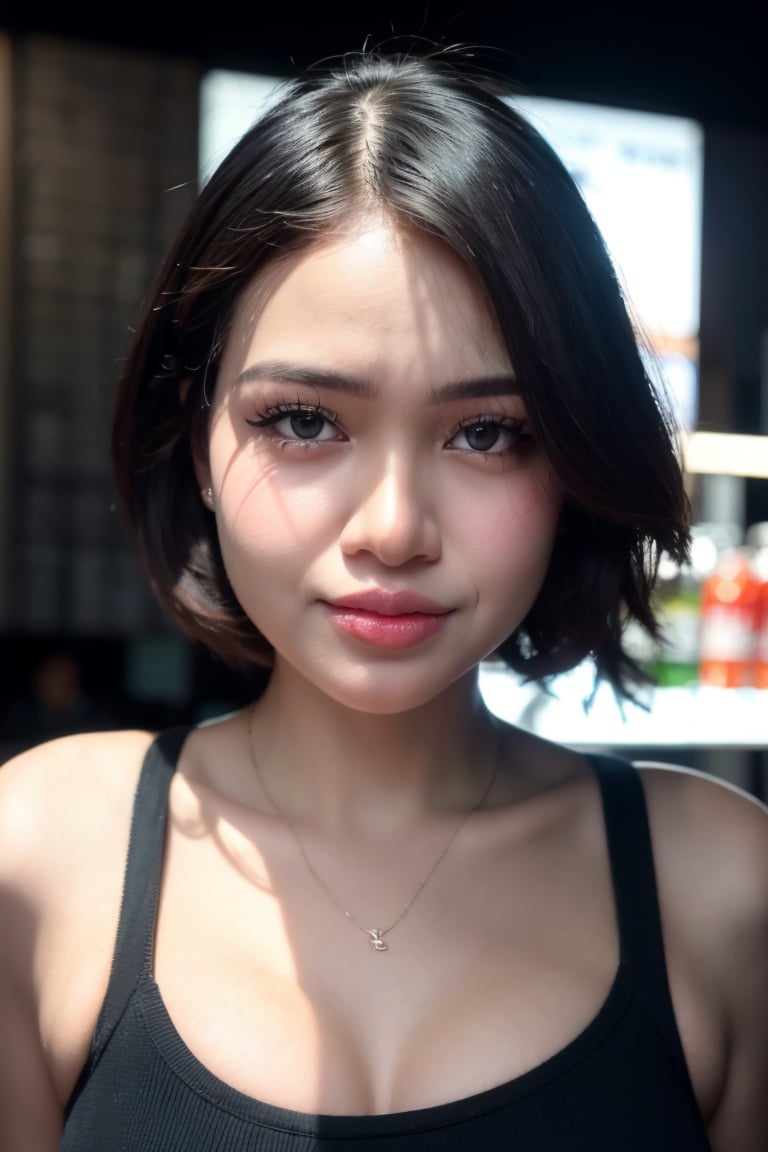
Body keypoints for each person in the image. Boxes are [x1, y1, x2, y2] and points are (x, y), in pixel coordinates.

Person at [0, 46, 765, 1152]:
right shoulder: (38, 861)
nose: (395, 529)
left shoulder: (725, 892)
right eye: (305, 421)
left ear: (575, 462)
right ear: (200, 436)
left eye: (489, 433)